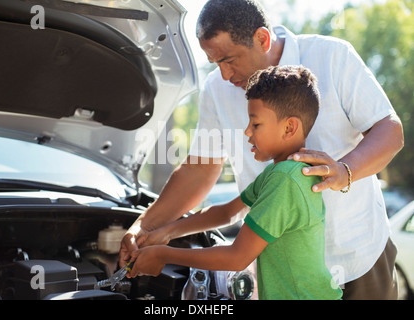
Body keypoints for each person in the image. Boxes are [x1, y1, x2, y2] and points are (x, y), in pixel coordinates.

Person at [120, 0, 404, 299]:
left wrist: (345, 170)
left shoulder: (333, 56)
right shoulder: (217, 90)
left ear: (262, 39)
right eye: (215, 63)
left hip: (358, 256)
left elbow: (390, 131)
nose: (225, 75)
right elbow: (200, 171)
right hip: (284, 276)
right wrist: (148, 227)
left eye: (229, 60)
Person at [129, 65, 343, 300]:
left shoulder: (286, 179)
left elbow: (237, 257)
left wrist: (163, 254)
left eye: (256, 124)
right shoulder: (280, 172)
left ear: (289, 127)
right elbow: (229, 213)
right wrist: (168, 231)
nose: (247, 132)